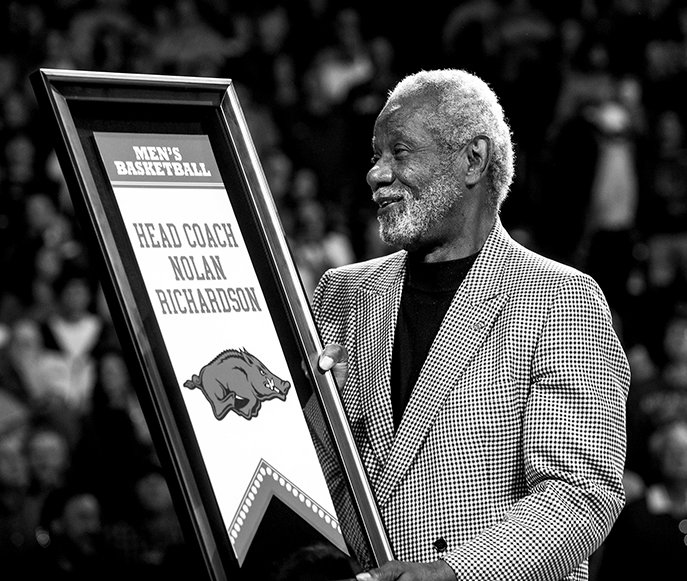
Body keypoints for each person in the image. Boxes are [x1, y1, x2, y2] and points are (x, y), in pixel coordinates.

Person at [314, 69, 630, 581]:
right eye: (376, 156)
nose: (376, 173)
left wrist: (452, 573)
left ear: (472, 160)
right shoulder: (343, 292)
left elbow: (578, 492)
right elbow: (316, 473)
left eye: (399, 151)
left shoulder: (561, 298)